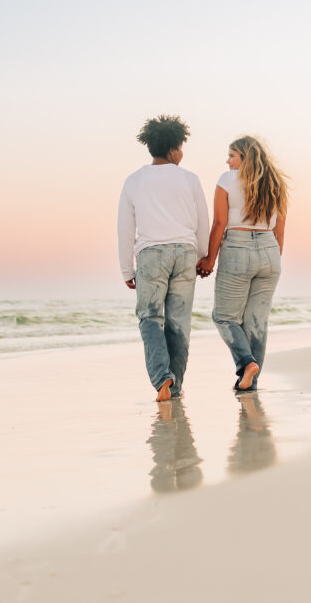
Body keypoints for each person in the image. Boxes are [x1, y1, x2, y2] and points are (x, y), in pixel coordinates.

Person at [118, 115, 210, 401]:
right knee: (179, 322)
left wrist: (126, 269)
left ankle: (161, 379)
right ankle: (175, 385)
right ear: (173, 149)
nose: (182, 153)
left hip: (151, 254)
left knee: (149, 317)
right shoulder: (190, 179)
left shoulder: (134, 180)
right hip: (184, 253)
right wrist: (204, 255)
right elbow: (202, 222)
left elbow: (125, 227)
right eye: (181, 146)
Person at [197, 135, 288, 392]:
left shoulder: (227, 180)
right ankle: (250, 383)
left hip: (237, 248)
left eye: (231, 155)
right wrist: (271, 260)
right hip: (270, 252)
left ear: (244, 157)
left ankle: (246, 363)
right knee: (257, 322)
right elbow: (280, 231)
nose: (227, 161)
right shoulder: (276, 184)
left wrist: (208, 260)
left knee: (224, 317)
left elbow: (219, 224)